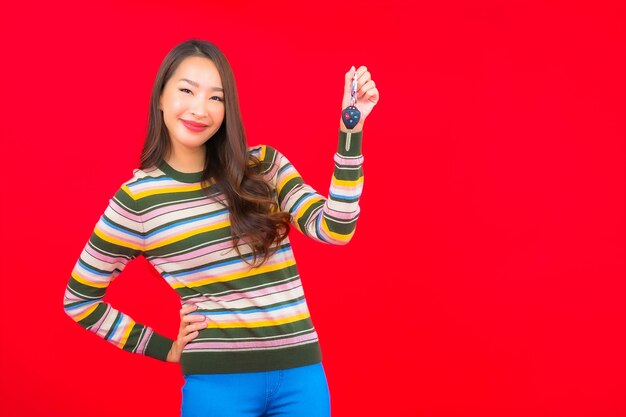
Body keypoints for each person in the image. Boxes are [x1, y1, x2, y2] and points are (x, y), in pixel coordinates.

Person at [63, 39, 379, 417]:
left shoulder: (263, 166)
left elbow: (335, 228)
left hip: (301, 377)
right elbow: (79, 300)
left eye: (216, 97)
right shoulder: (137, 201)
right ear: (160, 97)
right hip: (217, 388)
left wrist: (351, 132)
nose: (200, 108)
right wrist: (165, 348)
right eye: (186, 90)